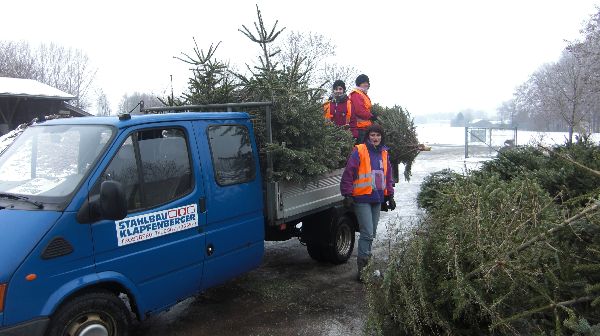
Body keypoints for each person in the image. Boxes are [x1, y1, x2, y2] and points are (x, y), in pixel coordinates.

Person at [340, 124, 396, 281]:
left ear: (381, 137)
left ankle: (368, 268)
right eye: (372, 135)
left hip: (377, 198)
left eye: (378, 135)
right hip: (362, 198)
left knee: (371, 234)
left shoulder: (384, 153)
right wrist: (347, 194)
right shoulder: (360, 150)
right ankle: (363, 272)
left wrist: (390, 195)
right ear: (368, 136)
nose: (375, 138)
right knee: (366, 233)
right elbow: (349, 172)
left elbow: (388, 175)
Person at [349, 74, 376, 142]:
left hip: (365, 127)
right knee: (361, 150)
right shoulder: (356, 94)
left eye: (367, 83)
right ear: (359, 84)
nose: (366, 84)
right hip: (359, 128)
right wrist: (371, 116)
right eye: (364, 82)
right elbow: (359, 111)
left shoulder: (362, 94)